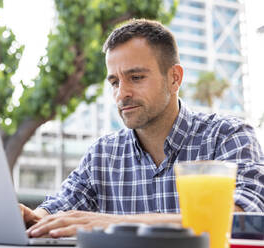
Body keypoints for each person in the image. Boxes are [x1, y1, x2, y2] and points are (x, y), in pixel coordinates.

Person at [20, 18, 264, 238]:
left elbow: (241, 218)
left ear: (175, 78)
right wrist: (32, 217)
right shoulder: (102, 154)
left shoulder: (228, 136)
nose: (121, 94)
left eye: (136, 77)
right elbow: (59, 208)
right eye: (114, 82)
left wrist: (112, 224)